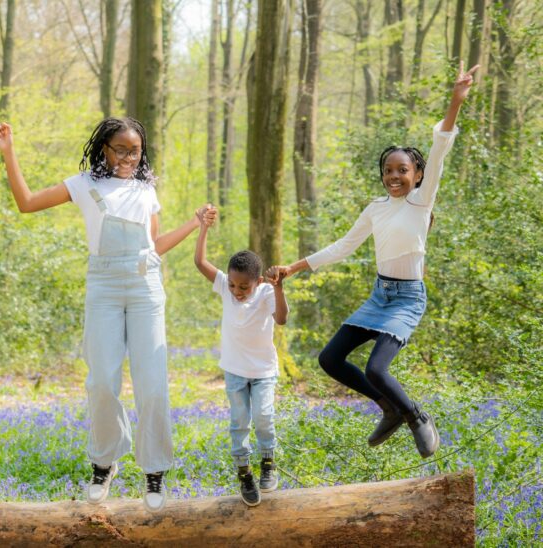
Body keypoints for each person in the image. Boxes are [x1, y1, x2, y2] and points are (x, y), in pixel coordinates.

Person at [0, 116, 216, 512]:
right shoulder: (83, 185)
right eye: (122, 150)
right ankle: (105, 460)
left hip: (146, 285)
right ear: (104, 149)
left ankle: (154, 469)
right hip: (104, 286)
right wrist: (9, 154)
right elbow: (26, 203)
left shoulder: (146, 189)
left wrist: (194, 224)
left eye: (136, 150)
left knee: (152, 385)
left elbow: (155, 244)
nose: (130, 157)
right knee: (100, 381)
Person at [272, 61, 479, 459]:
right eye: (389, 170)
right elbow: (342, 246)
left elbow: (441, 146)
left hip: (406, 299)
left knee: (377, 369)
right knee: (330, 359)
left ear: (418, 175)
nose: (395, 176)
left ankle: (417, 416)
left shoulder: (422, 201)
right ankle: (387, 408)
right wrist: (292, 268)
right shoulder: (375, 209)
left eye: (403, 170)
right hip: (379, 296)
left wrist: (456, 99)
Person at [194, 210, 288, 506]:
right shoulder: (224, 285)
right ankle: (245, 473)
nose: (236, 291)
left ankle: (268, 463)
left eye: (243, 287)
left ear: (258, 281)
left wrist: (279, 287)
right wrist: (203, 228)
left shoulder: (265, 293)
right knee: (239, 423)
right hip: (234, 371)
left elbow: (282, 319)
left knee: (263, 418)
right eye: (233, 285)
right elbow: (200, 262)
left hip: (263, 372)